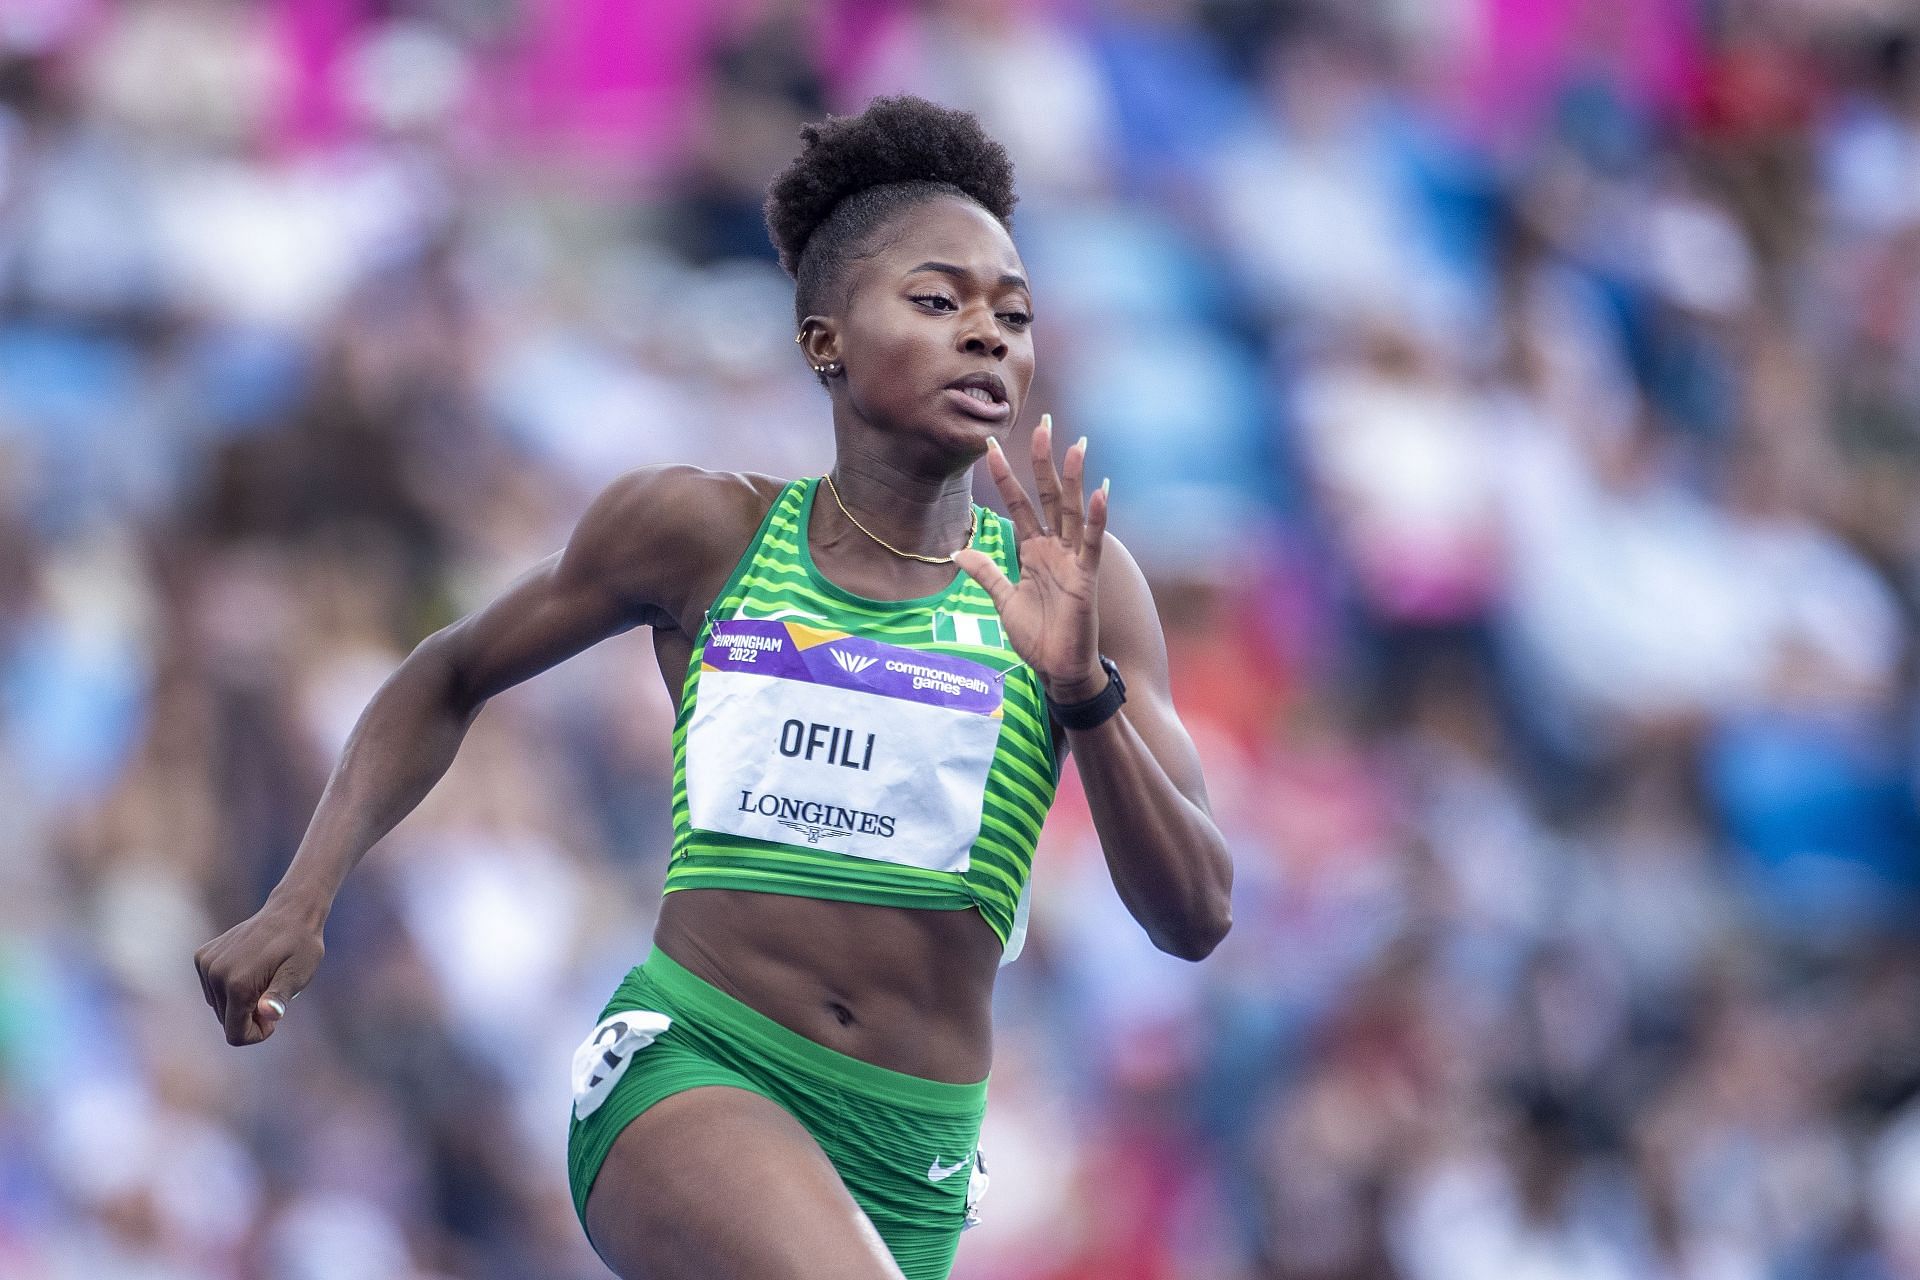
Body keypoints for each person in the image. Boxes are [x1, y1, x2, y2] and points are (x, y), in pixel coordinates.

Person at [193, 95, 1233, 1280]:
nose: (988, 334)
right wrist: (302, 894)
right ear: (825, 338)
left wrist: (1082, 688)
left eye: (1013, 312)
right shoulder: (703, 533)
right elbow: (449, 671)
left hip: (916, 1152)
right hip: (693, 1068)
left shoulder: (1079, 591)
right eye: (939, 302)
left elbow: (1195, 914)